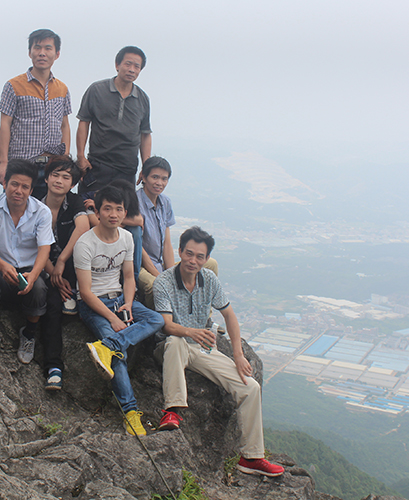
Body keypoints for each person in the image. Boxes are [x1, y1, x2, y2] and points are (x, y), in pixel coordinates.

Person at [152, 226, 284, 477]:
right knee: (176, 341)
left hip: (202, 348)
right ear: (179, 251)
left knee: (250, 387)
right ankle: (172, 411)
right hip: (171, 346)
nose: (193, 260)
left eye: (199, 256)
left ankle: (252, 457)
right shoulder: (164, 282)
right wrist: (191, 332)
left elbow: (229, 315)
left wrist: (238, 355)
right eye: (189, 253)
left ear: (207, 258)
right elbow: (167, 325)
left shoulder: (209, 280)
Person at [73, 185, 164, 436]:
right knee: (118, 356)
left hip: (120, 298)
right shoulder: (85, 244)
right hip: (94, 304)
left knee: (156, 319)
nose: (113, 214)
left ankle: (108, 345)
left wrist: (128, 303)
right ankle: (130, 412)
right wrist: (112, 317)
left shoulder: (126, 237)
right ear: (98, 212)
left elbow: (129, 276)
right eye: (107, 209)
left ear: (125, 212)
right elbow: (86, 292)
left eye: (119, 209)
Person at [0, 159, 54, 365]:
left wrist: (34, 274)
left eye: (25, 187)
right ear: (5, 183)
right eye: (14, 184)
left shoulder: (41, 212)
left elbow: (44, 248)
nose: (19, 191)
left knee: (39, 286)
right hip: (0, 270)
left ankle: (29, 334)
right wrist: (2, 265)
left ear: (31, 190)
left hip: (28, 271)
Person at [0, 28, 72, 200]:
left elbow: (64, 126)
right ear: (29, 52)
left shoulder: (62, 89)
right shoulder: (13, 85)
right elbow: (5, 124)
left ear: (57, 54)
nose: (42, 53)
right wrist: (3, 162)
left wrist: (65, 160)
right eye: (37, 48)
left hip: (52, 168)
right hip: (22, 164)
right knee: (17, 209)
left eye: (48, 48)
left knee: (50, 212)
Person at [137, 157, 218, 308]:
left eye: (164, 179)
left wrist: (170, 275)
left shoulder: (165, 202)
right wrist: (161, 277)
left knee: (210, 264)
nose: (159, 183)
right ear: (144, 177)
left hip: (160, 264)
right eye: (155, 177)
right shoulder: (135, 202)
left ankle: (203, 313)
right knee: (154, 285)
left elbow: (167, 242)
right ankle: (163, 320)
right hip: (141, 266)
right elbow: (137, 246)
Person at [39, 156, 90, 390]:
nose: (59, 181)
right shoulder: (36, 205)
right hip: (43, 266)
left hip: (69, 263)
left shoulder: (74, 202)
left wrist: (61, 261)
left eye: (66, 177)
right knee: (51, 305)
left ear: (72, 183)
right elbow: (32, 245)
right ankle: (54, 368)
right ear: (47, 178)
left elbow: (83, 227)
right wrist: (53, 274)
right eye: (55, 175)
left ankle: (74, 293)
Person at [76, 46, 151, 199]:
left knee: (121, 211)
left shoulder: (142, 98)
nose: (131, 70)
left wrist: (146, 166)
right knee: (89, 207)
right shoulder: (97, 90)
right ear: (117, 65)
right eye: (128, 64)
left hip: (127, 169)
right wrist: (80, 156)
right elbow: (84, 122)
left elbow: (145, 134)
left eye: (137, 66)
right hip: (97, 165)